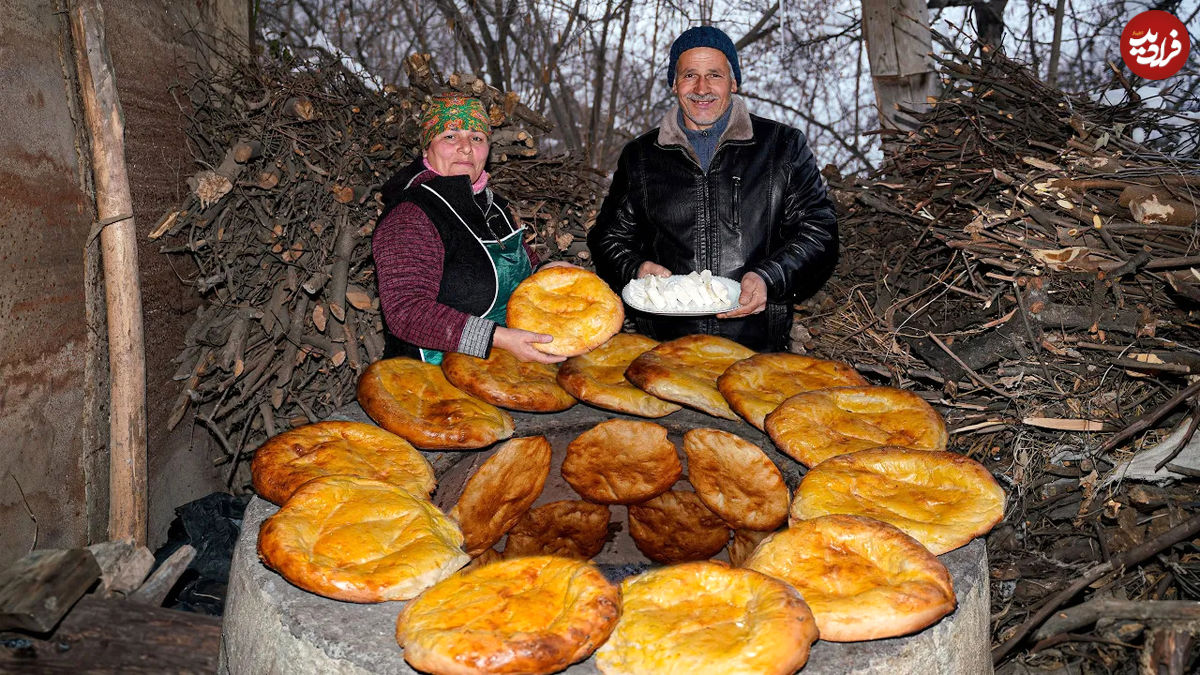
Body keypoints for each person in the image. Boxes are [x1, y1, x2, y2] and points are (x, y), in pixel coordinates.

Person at [587, 25, 838, 352]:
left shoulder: (782, 147)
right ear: (674, 84)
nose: (702, 88)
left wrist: (769, 277)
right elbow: (607, 238)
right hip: (664, 349)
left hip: (757, 349)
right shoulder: (641, 156)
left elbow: (819, 230)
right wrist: (636, 268)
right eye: (690, 75)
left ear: (734, 82)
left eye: (715, 75)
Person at [373, 94, 565, 365]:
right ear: (427, 149)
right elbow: (406, 311)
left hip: (499, 368)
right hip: (428, 379)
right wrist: (497, 338)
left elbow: (517, 270)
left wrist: (549, 274)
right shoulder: (411, 214)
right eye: (450, 136)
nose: (466, 148)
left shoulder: (492, 206)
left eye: (477, 138)